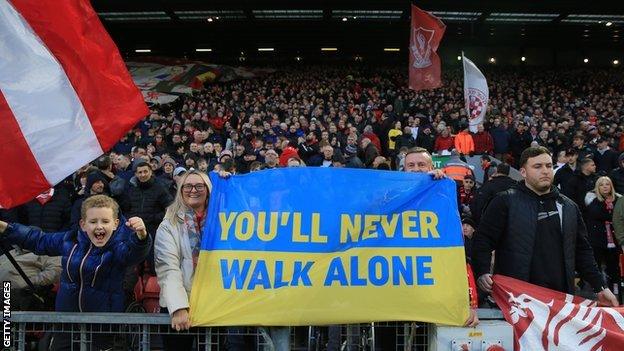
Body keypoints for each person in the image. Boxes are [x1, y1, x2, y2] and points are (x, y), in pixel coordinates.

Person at [473, 146, 618, 307]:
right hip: (517, 300)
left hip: (560, 300)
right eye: (537, 166)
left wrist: (600, 286)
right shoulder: (505, 201)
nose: (545, 171)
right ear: (523, 172)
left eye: (548, 166)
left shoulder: (569, 206)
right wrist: (482, 271)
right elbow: (483, 240)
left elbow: (582, 250)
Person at [0, 195, 151, 350]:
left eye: (105, 221)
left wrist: (142, 236)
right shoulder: (70, 239)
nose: (99, 226)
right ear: (83, 224)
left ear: (115, 224)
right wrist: (5, 227)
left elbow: (135, 253)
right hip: (66, 324)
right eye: (93, 222)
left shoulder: (119, 247)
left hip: (101, 328)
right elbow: (38, 239)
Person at [402, 147, 478, 327]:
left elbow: (458, 254)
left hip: (431, 288)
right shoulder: (389, 194)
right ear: (404, 169)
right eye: (410, 165)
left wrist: (439, 185)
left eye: (422, 164)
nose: (416, 169)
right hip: (399, 286)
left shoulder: (443, 191)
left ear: (431, 167)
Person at [584, 177, 621, 293]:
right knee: (597, 266)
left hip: (615, 240)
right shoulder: (593, 202)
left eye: (607, 184)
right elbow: (599, 215)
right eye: (602, 185)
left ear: (611, 186)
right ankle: (599, 292)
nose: (605, 187)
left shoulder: (619, 200)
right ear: (597, 188)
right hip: (598, 240)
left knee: (615, 268)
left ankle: (616, 292)